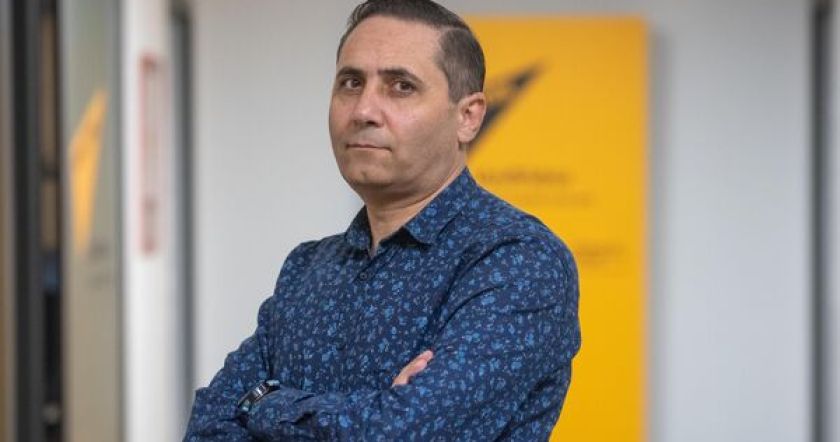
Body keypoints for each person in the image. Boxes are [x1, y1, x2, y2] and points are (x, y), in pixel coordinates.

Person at [184, 0, 581, 440]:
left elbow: (401, 434)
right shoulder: (307, 268)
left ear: (467, 117)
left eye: (401, 87)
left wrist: (262, 403)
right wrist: (371, 414)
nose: (363, 111)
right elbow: (207, 425)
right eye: (351, 83)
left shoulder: (516, 262)